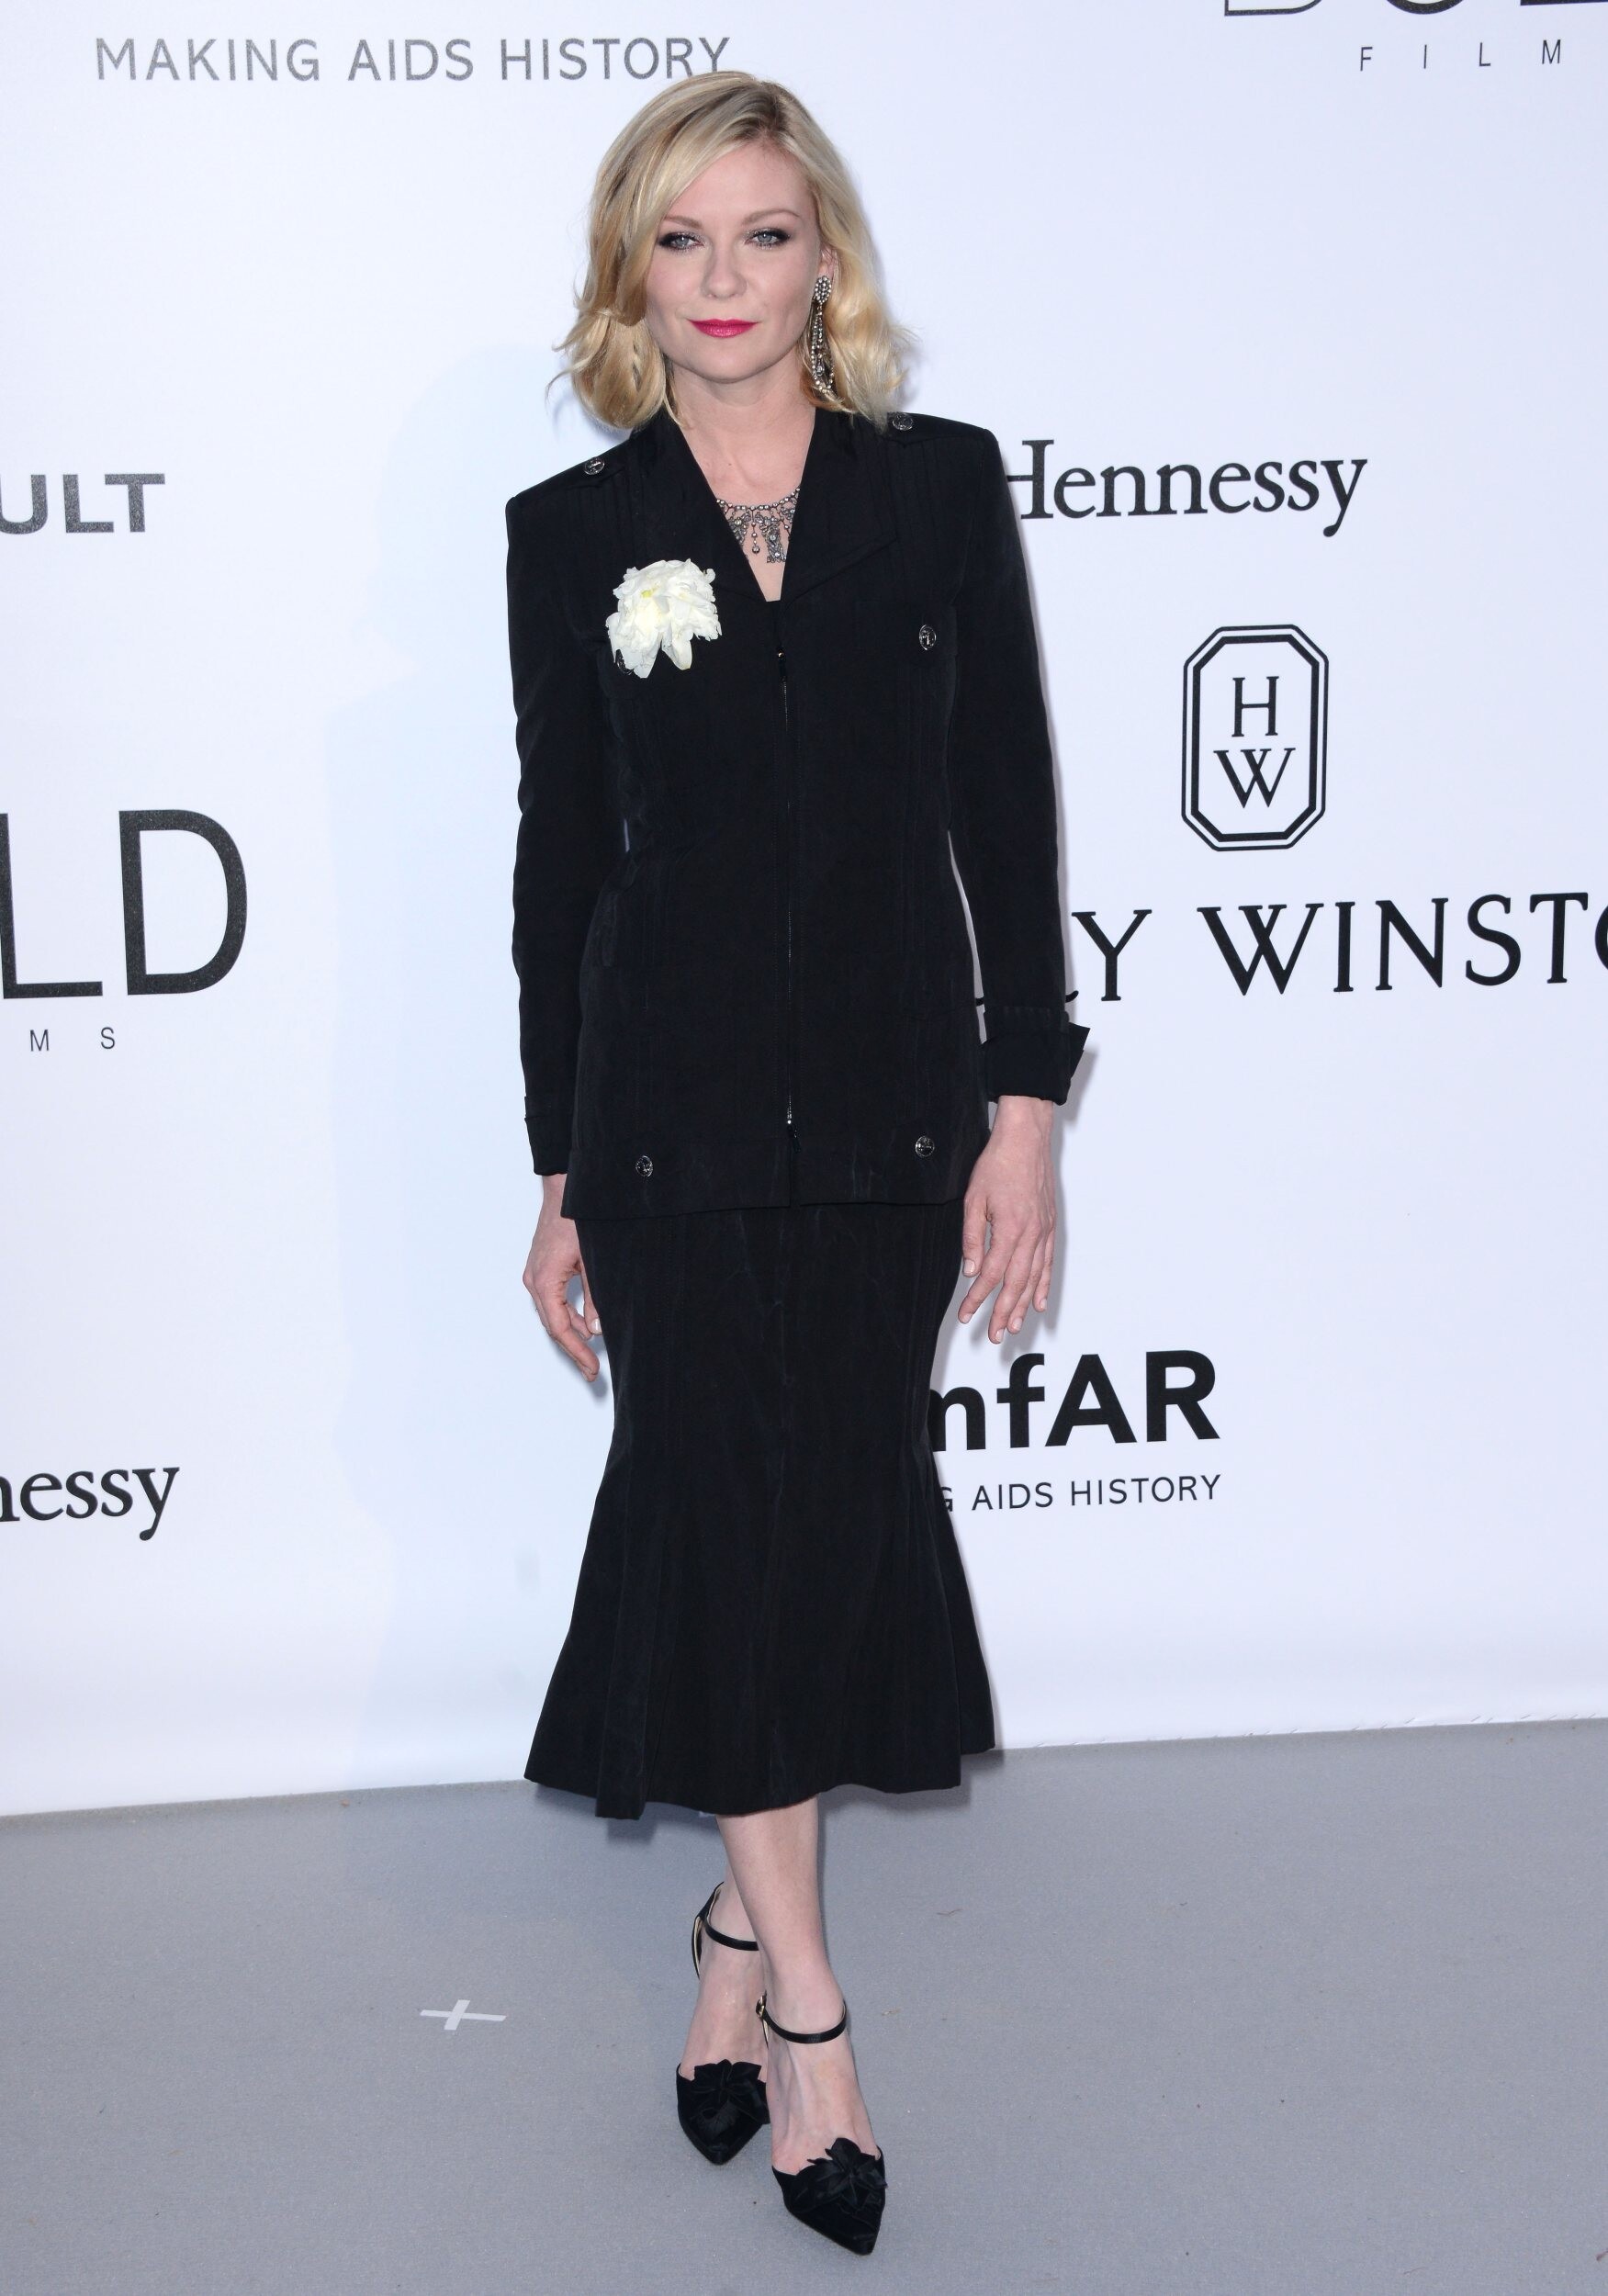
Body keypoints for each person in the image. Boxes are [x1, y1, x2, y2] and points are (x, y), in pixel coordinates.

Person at [504, 71, 1088, 2257]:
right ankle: (817, 2017)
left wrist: (1024, 1106)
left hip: (885, 1098)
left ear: (823, 251)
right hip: (660, 1109)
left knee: (829, 1524)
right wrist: (557, 1166)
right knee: (725, 1518)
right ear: (629, 273)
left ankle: (728, 1944)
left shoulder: (935, 489)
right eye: (681, 239)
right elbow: (563, 867)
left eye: (763, 233)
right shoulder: (572, 531)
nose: (726, 279)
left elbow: (1003, 802)